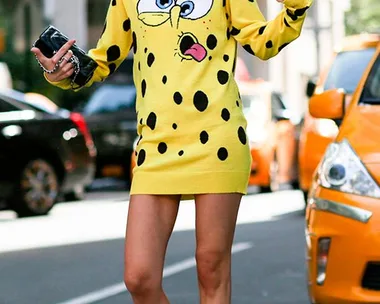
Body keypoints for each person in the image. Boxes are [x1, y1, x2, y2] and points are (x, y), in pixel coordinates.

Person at [31, 0, 312, 302]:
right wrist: (63, 70)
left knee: (211, 268)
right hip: (155, 146)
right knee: (139, 278)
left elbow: (263, 42)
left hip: (217, 139)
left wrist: (296, 9)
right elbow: (103, 60)